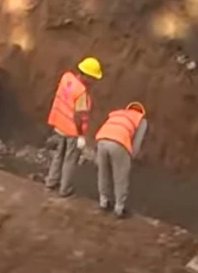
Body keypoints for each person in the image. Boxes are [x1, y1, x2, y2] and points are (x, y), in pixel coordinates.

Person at [44, 57, 102, 198]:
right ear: (86, 76)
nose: (94, 82)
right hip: (72, 130)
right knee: (70, 159)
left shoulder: (66, 78)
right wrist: (81, 135)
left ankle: (51, 181)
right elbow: (77, 116)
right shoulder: (81, 93)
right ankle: (65, 189)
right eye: (93, 78)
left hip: (59, 124)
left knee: (59, 154)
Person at [94, 102, 148, 219]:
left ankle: (104, 202)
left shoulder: (118, 114)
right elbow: (137, 141)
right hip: (119, 143)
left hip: (101, 140)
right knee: (120, 176)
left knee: (103, 172)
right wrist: (131, 156)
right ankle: (119, 208)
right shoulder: (141, 120)